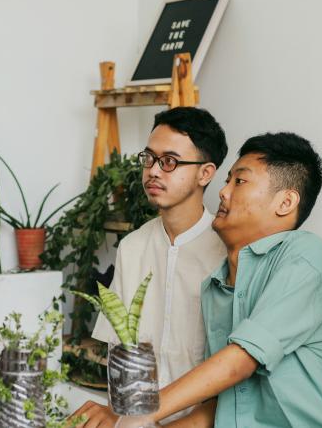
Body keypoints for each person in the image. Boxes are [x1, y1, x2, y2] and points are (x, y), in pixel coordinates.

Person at [77, 132, 322, 428]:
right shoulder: (217, 284)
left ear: (285, 202)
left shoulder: (305, 256)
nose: (223, 192)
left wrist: (142, 414)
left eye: (239, 181)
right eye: (227, 181)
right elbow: (220, 405)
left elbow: (238, 362)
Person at [82, 107, 227, 423]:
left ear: (206, 173)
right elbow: (119, 349)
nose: (153, 172)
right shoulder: (132, 247)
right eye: (148, 159)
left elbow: (233, 371)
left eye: (170, 162)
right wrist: (113, 411)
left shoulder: (226, 252)